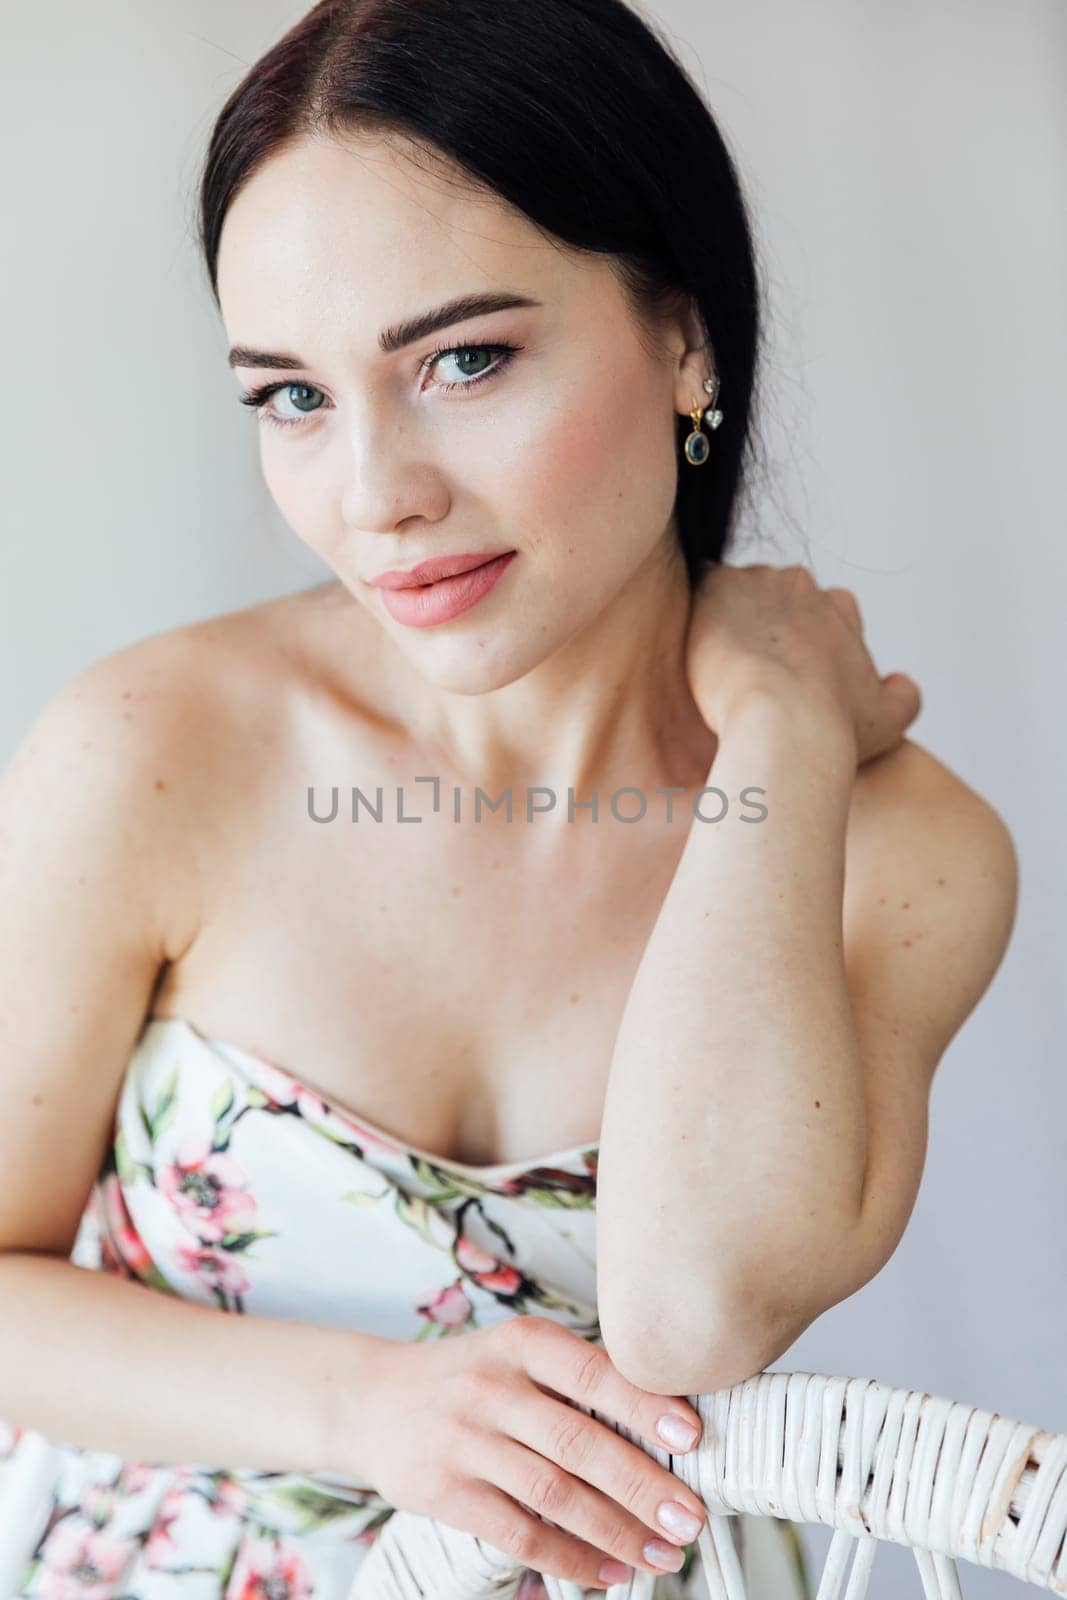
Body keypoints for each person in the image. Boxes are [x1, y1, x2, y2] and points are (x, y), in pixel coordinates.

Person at [0, 0, 1018, 1595]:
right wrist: (366, 1409)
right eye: (291, 397)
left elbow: (692, 1309)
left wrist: (779, 741)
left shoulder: (897, 849)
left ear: (683, 336)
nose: (375, 496)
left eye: (465, 360)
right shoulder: (152, 749)